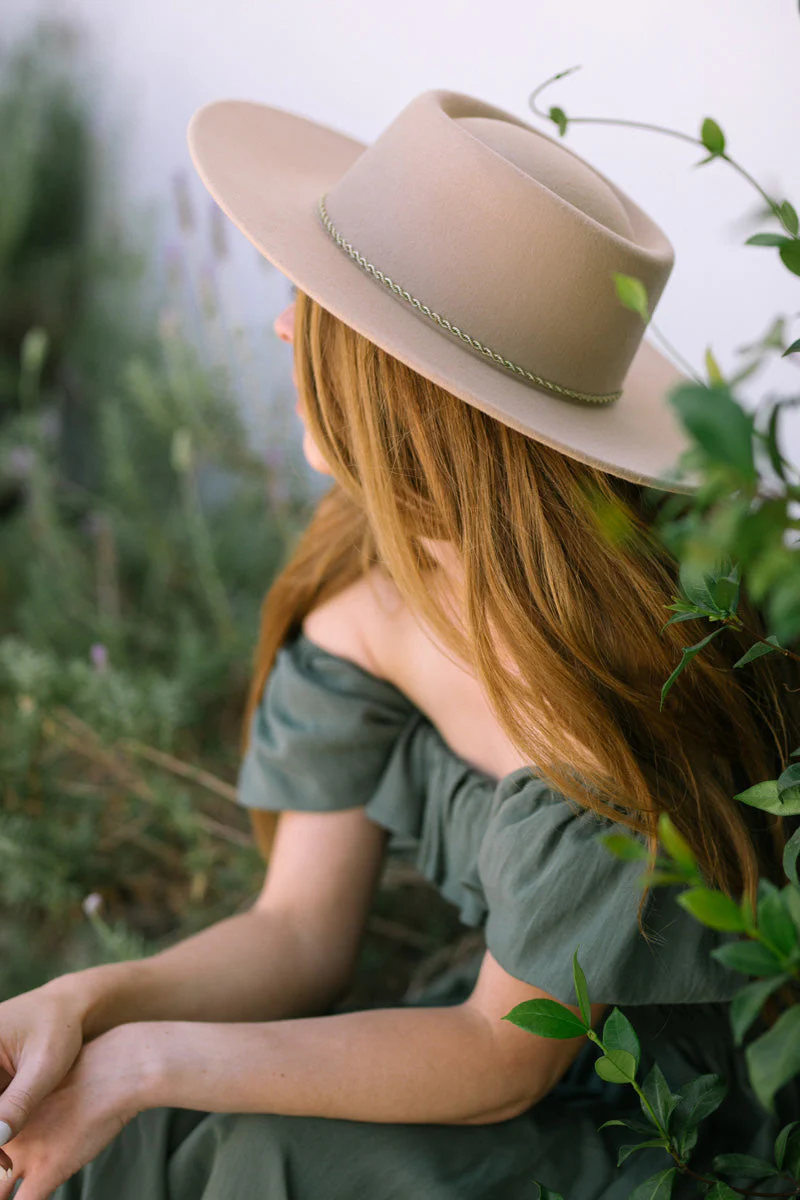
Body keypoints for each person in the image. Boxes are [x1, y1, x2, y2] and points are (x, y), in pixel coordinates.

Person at [1, 87, 799, 1200]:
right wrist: (88, 1008)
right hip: (483, 1061)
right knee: (139, 1131)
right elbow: (295, 932)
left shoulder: (605, 697)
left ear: (412, 396)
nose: (281, 324)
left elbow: (499, 1061)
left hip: (660, 1128)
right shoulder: (365, 574)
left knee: (260, 1153)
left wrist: (154, 1058)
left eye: (317, 304)